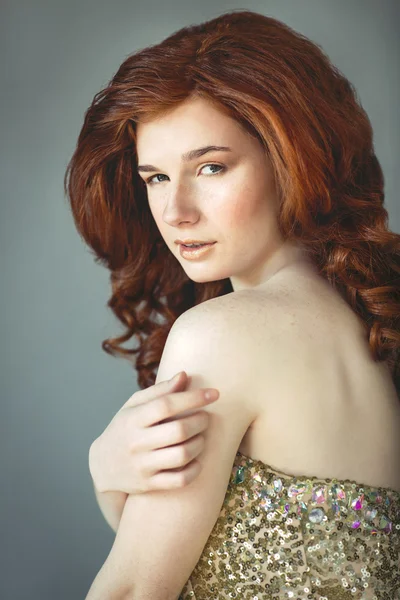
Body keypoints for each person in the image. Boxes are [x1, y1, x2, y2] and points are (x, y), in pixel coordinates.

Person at [64, 9, 400, 600]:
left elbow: (136, 588)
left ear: (293, 159)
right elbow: (217, 560)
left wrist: (99, 472)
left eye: (211, 167)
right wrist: (108, 480)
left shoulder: (223, 335)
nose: (175, 212)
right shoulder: (366, 325)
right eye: (156, 178)